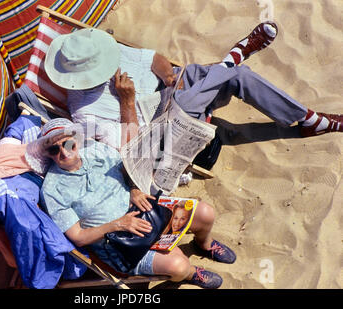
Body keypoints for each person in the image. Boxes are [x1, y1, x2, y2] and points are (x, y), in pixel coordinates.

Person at [43, 22, 342, 152]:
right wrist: (127, 101)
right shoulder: (83, 111)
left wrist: (169, 76)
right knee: (231, 75)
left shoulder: (106, 50)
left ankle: (306, 120)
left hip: (175, 84)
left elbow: (154, 58)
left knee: (239, 77)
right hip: (163, 122)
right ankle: (232, 60)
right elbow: (131, 145)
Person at [30, 118, 236, 289]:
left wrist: (134, 189)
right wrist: (118, 224)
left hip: (146, 211)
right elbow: (79, 237)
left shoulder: (97, 150)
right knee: (179, 266)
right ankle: (191, 273)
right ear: (47, 154)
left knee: (206, 213)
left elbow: (128, 170)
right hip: (119, 243)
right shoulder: (52, 189)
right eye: (53, 150)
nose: (63, 153)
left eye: (66, 144)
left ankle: (203, 244)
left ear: (75, 140)